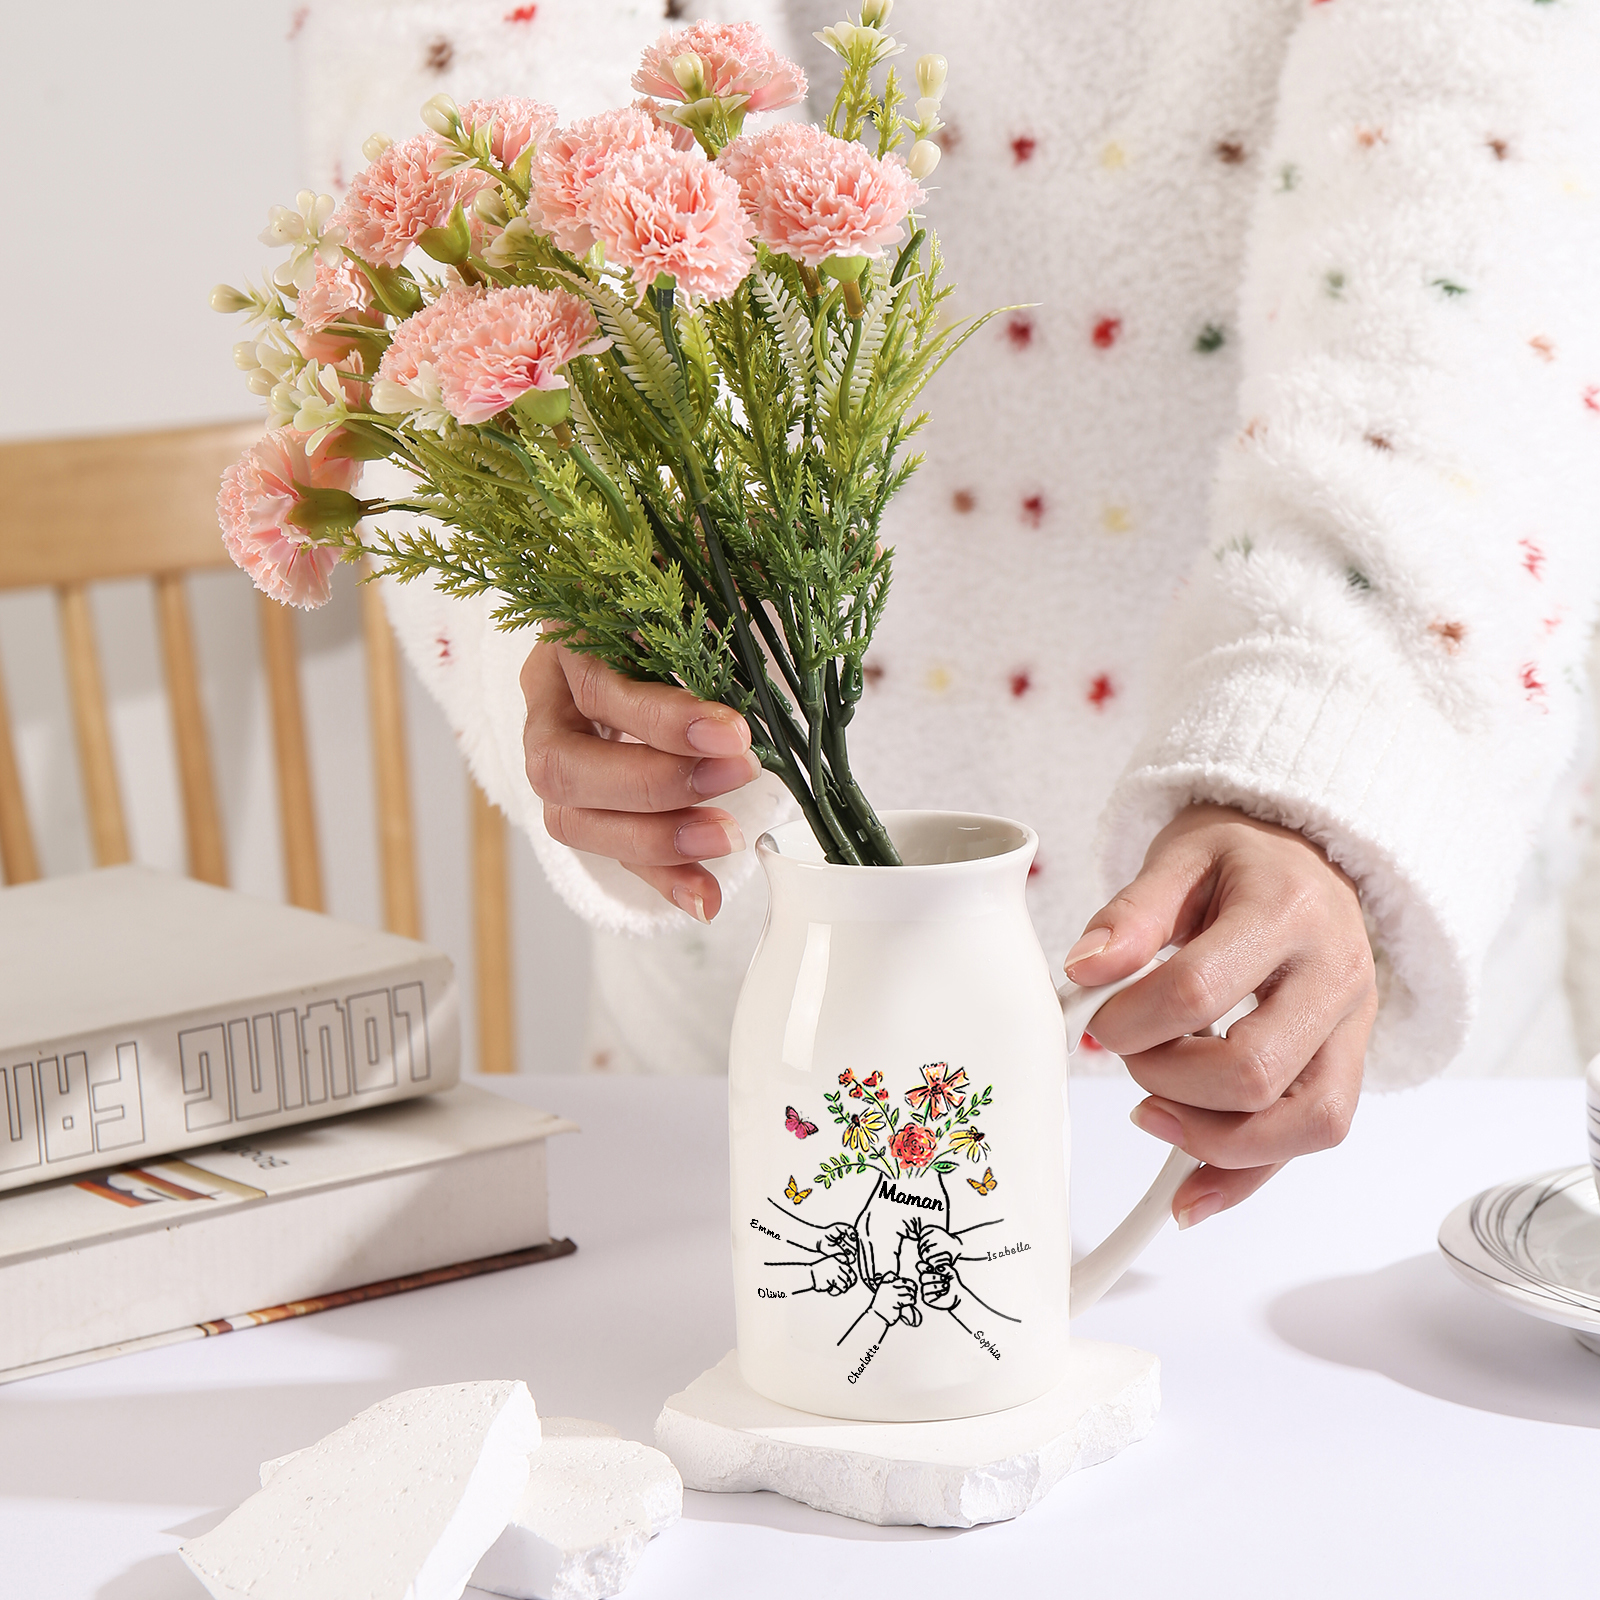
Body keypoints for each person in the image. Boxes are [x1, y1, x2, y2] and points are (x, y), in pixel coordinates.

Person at [297, 0, 1600, 1227]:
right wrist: (599, 562)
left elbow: (1483, 201)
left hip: (1336, 1032)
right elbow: (455, 90)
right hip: (745, 999)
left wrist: (1323, 750)